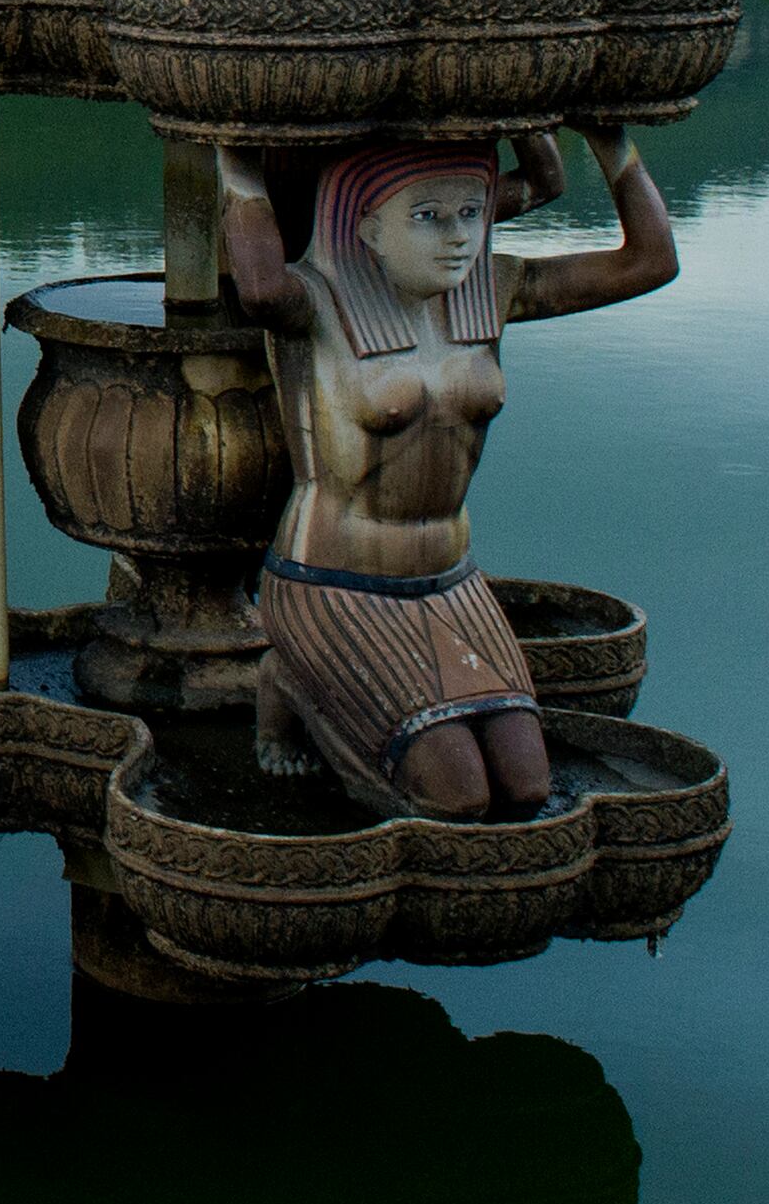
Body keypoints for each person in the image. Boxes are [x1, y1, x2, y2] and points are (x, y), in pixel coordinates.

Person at [213, 128, 674, 818]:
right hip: (338, 582)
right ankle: (295, 681)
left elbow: (650, 262)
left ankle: (332, 688)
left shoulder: (493, 286)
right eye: (427, 217)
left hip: (451, 582)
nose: (457, 238)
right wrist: (234, 157)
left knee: (526, 786)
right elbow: (257, 287)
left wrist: (612, 145)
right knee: (453, 796)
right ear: (367, 225)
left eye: (471, 213)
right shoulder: (318, 299)